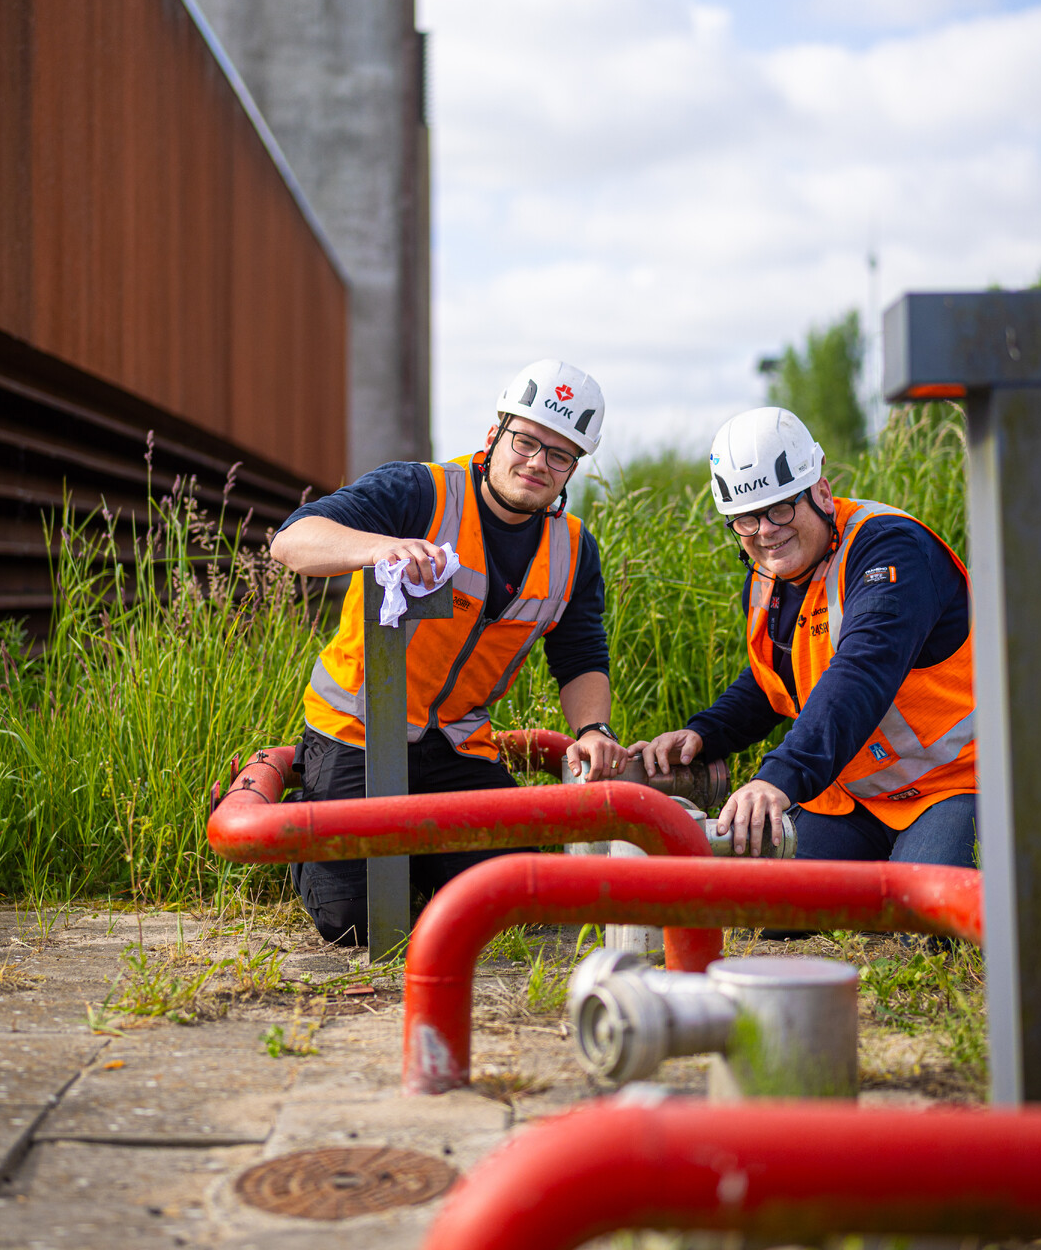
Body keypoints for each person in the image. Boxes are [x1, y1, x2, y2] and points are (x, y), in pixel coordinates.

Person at [270, 359, 624, 944]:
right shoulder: (418, 491)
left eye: (559, 455)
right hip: (356, 735)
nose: (537, 463)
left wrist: (594, 730)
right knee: (356, 925)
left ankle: (422, 854)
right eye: (526, 441)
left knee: (518, 902)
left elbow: (580, 653)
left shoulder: (573, 549)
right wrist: (386, 547)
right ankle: (322, 827)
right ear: (495, 436)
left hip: (457, 744)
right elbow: (293, 541)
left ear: (573, 469)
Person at [631, 406, 976, 870]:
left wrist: (780, 777)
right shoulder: (769, 578)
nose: (767, 531)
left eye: (780, 507)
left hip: (959, 784)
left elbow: (861, 672)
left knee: (929, 926)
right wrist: (704, 734)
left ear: (822, 492)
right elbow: (774, 679)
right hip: (859, 800)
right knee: (768, 906)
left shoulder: (890, 549)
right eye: (747, 519)